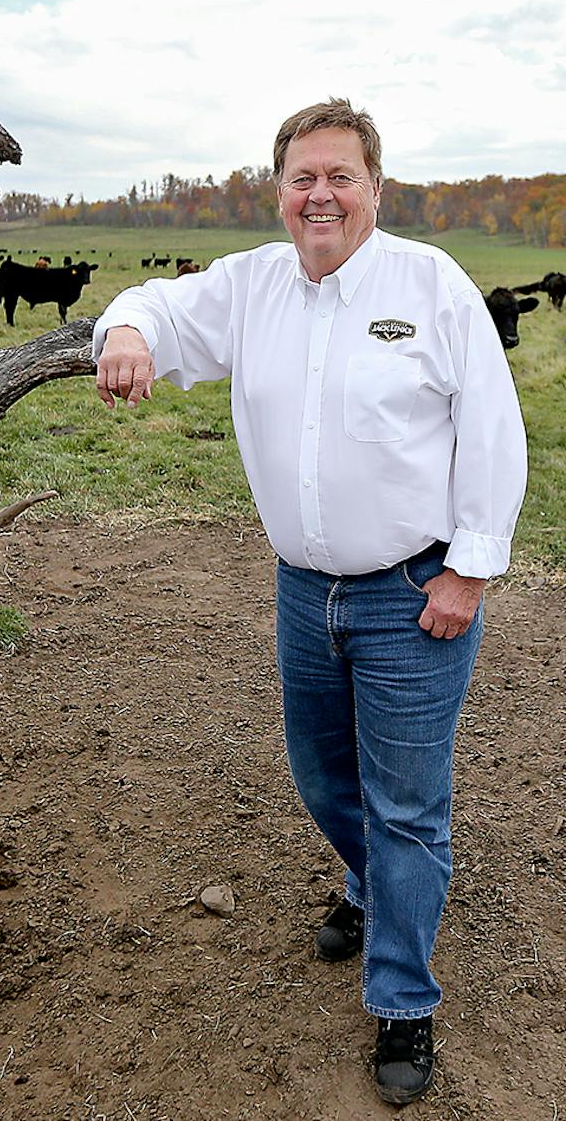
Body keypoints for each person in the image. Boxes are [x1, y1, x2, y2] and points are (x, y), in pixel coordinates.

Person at [91, 98, 528, 1104]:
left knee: (406, 803)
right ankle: (369, 885)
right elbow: (154, 308)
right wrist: (123, 331)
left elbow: (492, 433)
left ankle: (402, 997)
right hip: (301, 591)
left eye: (338, 175)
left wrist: (466, 570)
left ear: (375, 187)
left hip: (413, 592)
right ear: (277, 191)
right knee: (320, 774)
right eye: (301, 177)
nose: (318, 194)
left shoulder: (430, 285)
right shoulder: (250, 286)